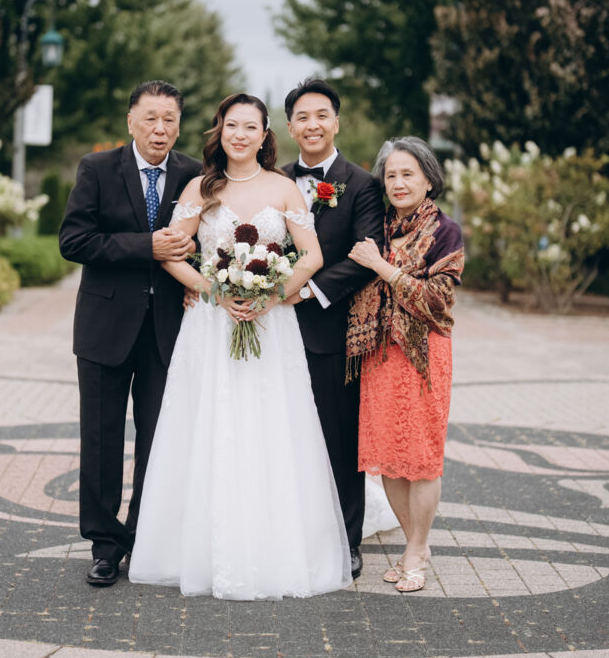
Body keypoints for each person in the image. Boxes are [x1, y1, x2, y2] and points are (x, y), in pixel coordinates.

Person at [129, 93, 352, 600]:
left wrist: (272, 294)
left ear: (265, 134)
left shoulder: (284, 188)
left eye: (251, 126)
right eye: (232, 125)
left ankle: (275, 549)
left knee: (270, 426)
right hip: (210, 325)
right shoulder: (199, 187)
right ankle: (199, 550)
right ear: (220, 130)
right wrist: (211, 290)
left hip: (271, 327)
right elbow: (171, 253)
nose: (240, 135)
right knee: (208, 423)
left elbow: (312, 255)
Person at [58, 80, 202, 588]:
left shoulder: (194, 174)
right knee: (100, 439)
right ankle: (104, 543)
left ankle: (142, 538)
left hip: (168, 330)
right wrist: (146, 247)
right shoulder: (96, 168)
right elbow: (74, 241)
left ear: (179, 126)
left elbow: (207, 241)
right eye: (150, 118)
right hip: (105, 328)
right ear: (131, 122)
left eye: (169, 120)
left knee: (158, 440)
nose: (160, 129)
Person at [346, 136, 463, 593]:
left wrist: (382, 267)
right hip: (378, 354)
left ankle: (416, 549)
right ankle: (416, 545)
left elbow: (438, 301)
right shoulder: (377, 226)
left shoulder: (444, 231)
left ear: (429, 180)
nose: (398, 182)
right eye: (390, 174)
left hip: (422, 356)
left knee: (422, 458)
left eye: (408, 174)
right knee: (388, 459)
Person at [279, 79, 384, 578]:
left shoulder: (361, 184)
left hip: (331, 330)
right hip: (274, 330)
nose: (312, 125)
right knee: (282, 433)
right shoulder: (274, 180)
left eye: (321, 115)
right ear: (290, 127)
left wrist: (307, 292)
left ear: (336, 123)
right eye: (302, 117)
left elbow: (365, 256)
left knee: (339, 439)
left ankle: (347, 538)